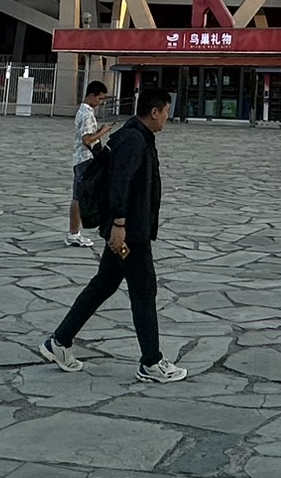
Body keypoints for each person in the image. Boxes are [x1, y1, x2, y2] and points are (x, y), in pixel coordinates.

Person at [37, 85, 186, 383]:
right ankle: (151, 362)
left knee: (103, 286)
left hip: (128, 229)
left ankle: (59, 341)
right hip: (130, 233)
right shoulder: (133, 140)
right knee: (144, 291)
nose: (167, 118)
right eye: (167, 112)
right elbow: (120, 183)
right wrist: (119, 225)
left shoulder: (135, 135)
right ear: (155, 111)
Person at [67, 80, 113, 247]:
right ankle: (74, 232)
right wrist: (102, 132)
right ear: (91, 96)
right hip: (86, 158)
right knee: (80, 197)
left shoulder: (82, 111)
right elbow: (86, 139)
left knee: (78, 196)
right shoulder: (87, 114)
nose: (100, 103)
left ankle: (74, 232)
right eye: (100, 99)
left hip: (80, 158)